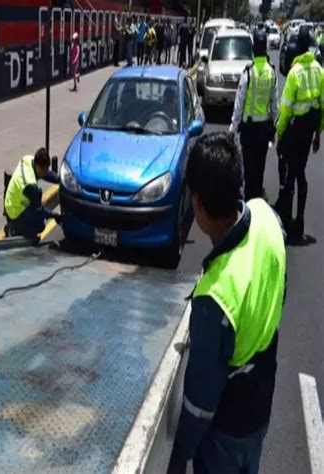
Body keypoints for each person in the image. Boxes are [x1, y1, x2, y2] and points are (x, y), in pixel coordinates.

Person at [168, 132, 286, 474]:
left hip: (226, 431)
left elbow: (200, 406)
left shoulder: (213, 299)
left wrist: (177, 459)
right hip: (260, 408)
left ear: (200, 205)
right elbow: (280, 288)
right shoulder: (268, 219)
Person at [275, 26, 323, 241]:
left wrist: (279, 132)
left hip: (294, 129)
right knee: (300, 172)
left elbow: (285, 108)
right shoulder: (319, 70)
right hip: (309, 130)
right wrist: (318, 134)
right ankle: (299, 220)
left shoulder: (295, 72)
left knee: (288, 172)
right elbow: (322, 105)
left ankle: (285, 219)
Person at [230, 29, 278, 201]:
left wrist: (233, 129)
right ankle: (257, 199)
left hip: (249, 130)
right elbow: (275, 104)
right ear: (264, 48)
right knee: (260, 169)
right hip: (264, 130)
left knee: (248, 169)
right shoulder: (271, 71)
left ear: (253, 49)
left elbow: (239, 103)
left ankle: (249, 204)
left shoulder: (248, 72)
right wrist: (274, 127)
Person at [4, 148, 61, 239]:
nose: (45, 173)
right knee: (40, 225)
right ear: (38, 167)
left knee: (37, 215)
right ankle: (13, 229)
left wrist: (59, 180)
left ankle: (17, 226)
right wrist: (54, 216)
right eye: (44, 170)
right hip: (15, 211)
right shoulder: (30, 186)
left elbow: (46, 174)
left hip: (10, 200)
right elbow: (39, 209)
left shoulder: (28, 159)